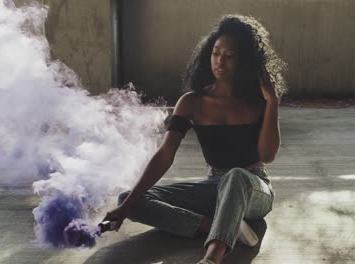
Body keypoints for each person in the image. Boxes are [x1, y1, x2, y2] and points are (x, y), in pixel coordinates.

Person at [104, 14, 287, 264]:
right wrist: (126, 209)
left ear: (244, 60)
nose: (220, 61)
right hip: (213, 185)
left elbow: (267, 156)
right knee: (129, 199)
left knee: (236, 176)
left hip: (254, 187)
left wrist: (273, 102)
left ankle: (212, 257)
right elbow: (165, 154)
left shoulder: (258, 102)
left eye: (229, 55)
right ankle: (219, 225)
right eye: (215, 53)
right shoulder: (192, 102)